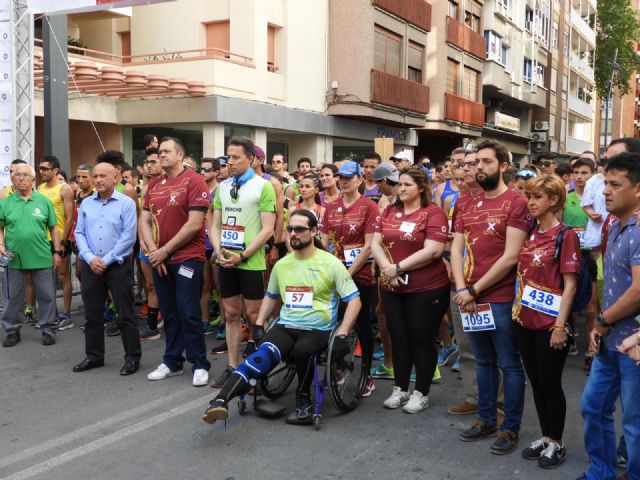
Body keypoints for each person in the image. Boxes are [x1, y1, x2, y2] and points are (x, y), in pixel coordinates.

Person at [202, 209, 361, 424]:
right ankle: (220, 401)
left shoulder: (331, 263)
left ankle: (303, 398)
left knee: (302, 351)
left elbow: (354, 300)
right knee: (260, 356)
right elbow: (271, 296)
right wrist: (258, 324)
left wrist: (342, 334)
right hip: (287, 325)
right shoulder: (282, 265)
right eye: (290, 229)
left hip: (318, 329)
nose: (293, 233)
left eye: (300, 229)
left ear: (314, 231)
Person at [452, 140, 530, 454]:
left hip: (499, 298)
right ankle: (486, 419)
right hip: (468, 297)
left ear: (503, 165)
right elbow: (456, 248)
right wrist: (461, 289)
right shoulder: (466, 203)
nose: (479, 167)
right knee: (483, 362)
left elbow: (511, 257)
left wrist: (474, 289)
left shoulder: (516, 202)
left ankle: (510, 427)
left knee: (510, 365)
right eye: (475, 162)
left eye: (486, 161)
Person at [579, 152, 640, 480]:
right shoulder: (616, 225)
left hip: (634, 347)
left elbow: (638, 291)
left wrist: (602, 321)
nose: (605, 191)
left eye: (615, 185)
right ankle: (600, 472)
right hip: (610, 343)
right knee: (594, 407)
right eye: (606, 184)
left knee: (634, 425)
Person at [513, 175, 580, 469]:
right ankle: (545, 435)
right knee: (537, 383)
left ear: (554, 200)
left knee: (551, 384)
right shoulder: (530, 233)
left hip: (550, 326)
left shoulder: (566, 235)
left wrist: (559, 326)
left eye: (537, 197)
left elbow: (571, 285)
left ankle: (557, 441)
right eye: (529, 196)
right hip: (525, 322)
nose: (531, 202)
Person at [371, 168, 450, 413]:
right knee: (398, 337)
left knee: (421, 339)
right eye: (400, 184)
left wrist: (397, 267)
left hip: (426, 288)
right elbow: (375, 242)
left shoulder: (433, 213)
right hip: (391, 286)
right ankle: (400, 388)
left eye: (407, 184)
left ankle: (421, 392)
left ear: (422, 188)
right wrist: (387, 269)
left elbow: (434, 250)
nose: (401, 188)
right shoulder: (390, 210)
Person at [140, 137, 212, 387]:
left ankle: (199, 363)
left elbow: (194, 224)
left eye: (167, 151)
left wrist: (165, 251)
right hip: (159, 258)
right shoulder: (154, 185)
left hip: (187, 258)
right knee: (169, 312)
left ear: (180, 155)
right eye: (159, 152)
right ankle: (172, 361)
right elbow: (145, 221)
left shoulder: (194, 180)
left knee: (189, 311)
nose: (161, 155)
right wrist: (153, 251)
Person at [209, 136, 276, 387]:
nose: (231, 161)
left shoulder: (263, 186)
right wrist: (218, 249)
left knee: (256, 316)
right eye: (228, 156)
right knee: (230, 314)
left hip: (250, 261)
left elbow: (268, 229)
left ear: (251, 159)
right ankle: (233, 367)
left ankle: (262, 369)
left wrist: (243, 255)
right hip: (226, 261)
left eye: (236, 157)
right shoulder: (224, 187)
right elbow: (215, 223)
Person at [72, 162, 141, 375]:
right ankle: (94, 356)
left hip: (117, 266)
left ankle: (132, 357)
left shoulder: (126, 203)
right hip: (92, 266)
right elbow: (79, 233)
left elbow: (129, 237)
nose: (99, 179)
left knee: (125, 314)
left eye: (104, 175)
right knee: (92, 314)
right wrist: (91, 258)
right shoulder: (86, 204)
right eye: (96, 176)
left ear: (116, 178)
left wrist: (107, 259)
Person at [320, 160, 377, 396]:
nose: (343, 181)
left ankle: (366, 374)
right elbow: (323, 239)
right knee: (336, 321)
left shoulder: (369, 207)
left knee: (361, 324)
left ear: (360, 179)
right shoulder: (331, 208)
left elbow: (369, 246)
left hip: (360, 275)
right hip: (334, 273)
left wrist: (347, 273)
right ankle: (340, 368)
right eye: (340, 177)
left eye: (348, 177)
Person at [0, 163, 61, 347]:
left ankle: (48, 329)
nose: (20, 178)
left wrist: (57, 252)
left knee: (47, 295)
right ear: (12, 179)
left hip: (41, 256)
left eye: (25, 175)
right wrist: (1, 244)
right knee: (12, 297)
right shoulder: (5, 203)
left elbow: (54, 228)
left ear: (33, 180)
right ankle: (12, 330)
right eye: (17, 175)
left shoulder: (43, 201)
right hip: (13, 258)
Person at [564, 157, 598, 370]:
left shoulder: (600, 198)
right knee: (569, 303)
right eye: (576, 172)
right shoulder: (565, 199)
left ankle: (592, 351)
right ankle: (570, 340)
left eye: (584, 173)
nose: (580, 177)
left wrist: (599, 248)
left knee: (591, 307)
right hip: (569, 255)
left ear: (592, 175)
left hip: (591, 256)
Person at [369, 163, 400, 380]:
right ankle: (391, 362)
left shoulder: (391, 202)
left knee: (392, 315)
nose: (378, 188)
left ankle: (394, 364)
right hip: (387, 264)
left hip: (400, 267)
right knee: (383, 312)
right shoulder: (388, 203)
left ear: (384, 181)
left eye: (379, 184)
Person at [37, 155, 74, 329]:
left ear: (55, 171)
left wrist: (63, 242)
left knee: (63, 275)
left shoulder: (64, 188)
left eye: (45, 168)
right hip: (42, 240)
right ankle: (50, 314)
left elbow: (69, 218)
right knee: (45, 278)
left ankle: (66, 314)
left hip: (59, 239)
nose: (41, 172)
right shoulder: (40, 188)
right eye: (40, 168)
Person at [137, 147, 163, 340]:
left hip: (166, 246)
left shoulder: (176, 184)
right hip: (147, 244)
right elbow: (142, 219)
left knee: (169, 287)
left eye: (153, 161)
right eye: (148, 162)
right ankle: (152, 325)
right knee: (151, 285)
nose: (149, 165)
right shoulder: (146, 188)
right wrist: (142, 240)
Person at [200, 157, 221, 335]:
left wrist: (217, 246)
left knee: (220, 286)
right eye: (202, 169)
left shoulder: (220, 190)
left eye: (207, 169)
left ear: (216, 172)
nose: (203, 172)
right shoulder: (198, 190)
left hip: (214, 243)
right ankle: (204, 321)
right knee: (204, 285)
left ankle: (224, 322)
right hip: (200, 244)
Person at [287, 175, 324, 251]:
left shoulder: (323, 211)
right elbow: (288, 236)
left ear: (316, 190)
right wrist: (294, 254)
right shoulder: (293, 210)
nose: (303, 189)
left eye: (307, 186)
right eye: (301, 186)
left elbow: (325, 237)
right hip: (297, 252)